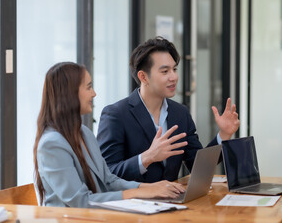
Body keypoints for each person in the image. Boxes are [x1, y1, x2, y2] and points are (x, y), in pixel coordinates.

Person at [33, 62, 184, 208]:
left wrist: (149, 187)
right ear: (69, 94)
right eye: (89, 87)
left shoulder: (84, 133)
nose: (94, 93)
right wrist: (140, 193)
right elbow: (80, 201)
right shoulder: (51, 144)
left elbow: (109, 180)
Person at [97, 37, 240, 183]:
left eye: (174, 69)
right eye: (165, 71)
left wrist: (223, 134)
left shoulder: (180, 113)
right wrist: (147, 157)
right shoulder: (116, 115)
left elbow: (197, 165)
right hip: (132, 202)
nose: (174, 77)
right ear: (143, 77)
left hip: (171, 201)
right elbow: (107, 174)